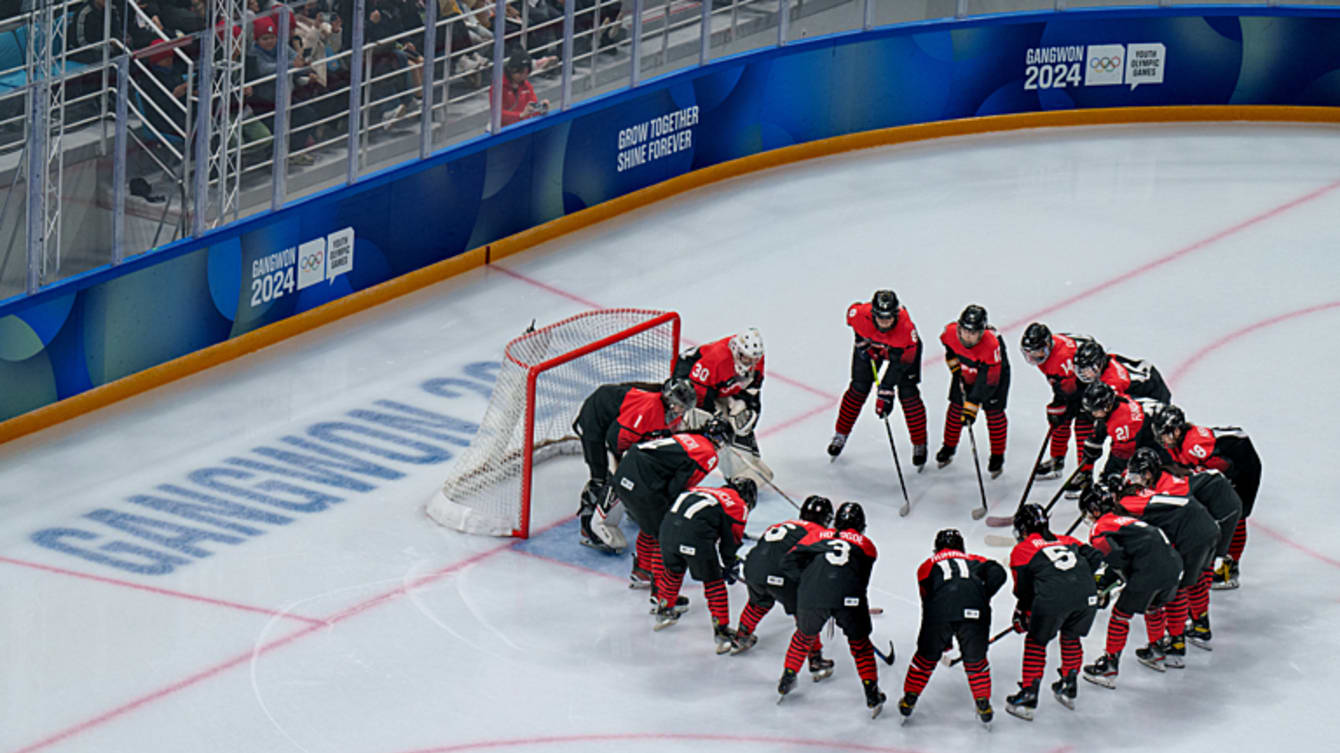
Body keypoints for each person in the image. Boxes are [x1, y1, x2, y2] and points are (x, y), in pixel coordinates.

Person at [1109, 448, 1220, 669]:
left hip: (1192, 536)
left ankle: (1177, 645)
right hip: (1204, 529)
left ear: (1150, 472)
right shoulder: (1150, 486)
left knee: (1176, 587)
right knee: (1192, 581)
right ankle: (1200, 626)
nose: (1135, 480)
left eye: (1138, 475)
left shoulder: (1166, 488)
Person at [777, 502, 885, 717]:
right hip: (851, 598)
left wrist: (808, 581)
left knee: (803, 636)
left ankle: (787, 677)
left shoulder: (818, 535)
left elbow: (788, 560)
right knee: (861, 644)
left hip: (813, 595)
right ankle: (871, 692)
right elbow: (861, 577)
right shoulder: (868, 545)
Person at [571, 378, 697, 553]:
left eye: (685, 407)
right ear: (669, 400)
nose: (682, 411)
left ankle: (628, 505)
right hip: (597, 417)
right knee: (601, 478)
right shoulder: (648, 412)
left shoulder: (671, 414)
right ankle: (589, 526)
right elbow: (615, 441)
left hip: (619, 417)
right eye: (680, 406)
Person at [1077, 481, 1184, 688]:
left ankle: (1109, 666)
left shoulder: (1101, 526)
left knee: (1120, 614)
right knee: (1154, 606)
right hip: (1174, 565)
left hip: (1149, 570)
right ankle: (1156, 650)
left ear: (1094, 510)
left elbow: (1114, 556)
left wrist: (1108, 583)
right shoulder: (1128, 518)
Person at [611, 421, 730, 600]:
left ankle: (642, 571)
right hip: (644, 482)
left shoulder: (688, 437)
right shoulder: (708, 453)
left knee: (651, 522)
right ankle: (661, 594)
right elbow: (678, 486)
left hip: (624, 473)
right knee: (665, 533)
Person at [1005, 503, 1103, 721]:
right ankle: (1069, 685)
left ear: (1022, 528)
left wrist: (1022, 614)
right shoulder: (1067, 539)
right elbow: (1096, 557)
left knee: (1036, 642)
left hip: (1053, 600)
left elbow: (1023, 591)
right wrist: (1079, 580)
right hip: (1087, 596)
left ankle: (1029, 695)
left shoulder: (1022, 550)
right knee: (1071, 635)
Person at [898, 528, 1006, 725]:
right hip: (975, 611)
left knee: (924, 659)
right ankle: (983, 702)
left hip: (940, 612)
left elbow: (928, 601)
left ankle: (909, 700)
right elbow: (999, 573)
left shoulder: (926, 566)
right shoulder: (975, 559)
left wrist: (942, 639)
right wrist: (981, 595)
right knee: (976, 662)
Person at [1151, 405, 1261, 589]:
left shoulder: (1193, 446)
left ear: (1177, 430)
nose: (1162, 440)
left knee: (1236, 516)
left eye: (1164, 434)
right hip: (1228, 459)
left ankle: (1230, 570)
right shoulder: (1177, 444)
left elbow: (1225, 467)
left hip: (1244, 468)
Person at [731, 495, 834, 676]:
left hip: (753, 569)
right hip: (781, 575)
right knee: (806, 616)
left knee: (758, 602)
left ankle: (742, 636)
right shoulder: (820, 534)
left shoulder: (781, 524)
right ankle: (815, 659)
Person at [653, 479, 756, 654]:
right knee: (713, 581)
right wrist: (730, 564)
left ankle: (664, 608)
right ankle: (722, 631)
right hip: (694, 536)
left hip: (666, 531)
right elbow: (731, 542)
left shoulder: (700, 490)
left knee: (673, 571)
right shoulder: (738, 505)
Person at [829, 290, 928, 470]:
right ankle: (840, 434)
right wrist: (861, 342)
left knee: (908, 394)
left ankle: (919, 443)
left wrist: (886, 390)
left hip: (902, 354)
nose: (884, 322)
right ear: (873, 314)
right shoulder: (859, 315)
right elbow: (853, 319)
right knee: (858, 388)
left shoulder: (906, 331)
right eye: (880, 318)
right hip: (872, 345)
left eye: (889, 318)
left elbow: (901, 363)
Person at [673, 327, 770, 485]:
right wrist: (719, 421)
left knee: (740, 420)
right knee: (711, 429)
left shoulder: (755, 358)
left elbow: (754, 389)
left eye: (754, 360)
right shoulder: (715, 360)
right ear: (736, 351)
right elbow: (700, 401)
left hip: (718, 385)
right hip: (689, 382)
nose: (751, 363)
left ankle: (745, 464)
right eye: (746, 359)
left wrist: (751, 410)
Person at [935, 304, 1010, 475]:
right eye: (965, 330)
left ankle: (997, 455)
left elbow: (990, 380)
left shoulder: (992, 346)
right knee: (955, 408)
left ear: (982, 332)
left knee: (994, 413)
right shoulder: (949, 333)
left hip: (993, 374)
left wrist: (973, 403)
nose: (968, 336)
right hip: (966, 368)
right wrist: (953, 363)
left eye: (974, 332)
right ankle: (949, 446)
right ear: (960, 327)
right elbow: (949, 348)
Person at [1018, 322, 1096, 486]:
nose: (1034, 356)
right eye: (1030, 352)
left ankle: (1085, 474)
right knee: (1060, 421)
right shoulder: (1046, 357)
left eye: (1038, 351)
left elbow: (1072, 393)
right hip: (1073, 382)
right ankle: (1057, 460)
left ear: (1047, 345)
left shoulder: (1062, 359)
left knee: (1082, 426)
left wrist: (1060, 405)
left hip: (1090, 384)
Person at [1078, 381, 1167, 479]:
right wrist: (1094, 443)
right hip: (1153, 419)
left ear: (1107, 406)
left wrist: (1108, 476)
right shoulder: (1115, 400)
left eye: (1095, 410)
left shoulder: (1121, 423)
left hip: (1159, 435)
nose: (1093, 414)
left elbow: (1123, 455)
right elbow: (1104, 423)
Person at [1074, 340, 1171, 404]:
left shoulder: (1113, 382)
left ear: (1098, 365)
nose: (1083, 374)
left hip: (1153, 390)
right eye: (1080, 370)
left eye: (1087, 370)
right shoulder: (1106, 360)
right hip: (1144, 374)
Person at [491, 50, 550, 126]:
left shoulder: (527, 86)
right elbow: (497, 114)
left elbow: (531, 108)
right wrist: (520, 115)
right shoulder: (497, 88)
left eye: (526, 73)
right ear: (511, 70)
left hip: (523, 127)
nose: (523, 76)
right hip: (503, 131)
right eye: (520, 73)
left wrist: (541, 109)